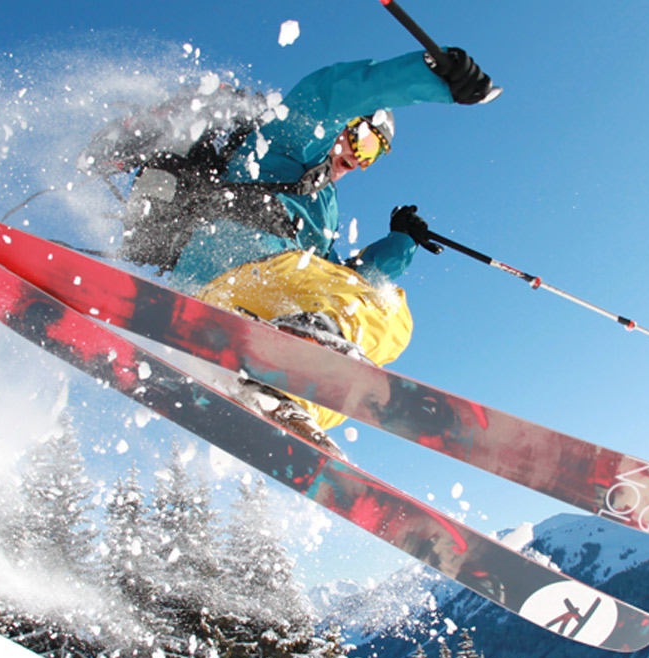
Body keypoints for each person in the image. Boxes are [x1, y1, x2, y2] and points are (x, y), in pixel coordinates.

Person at [166, 47, 494, 454]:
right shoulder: (289, 143)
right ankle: (300, 356)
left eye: (373, 156)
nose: (359, 161)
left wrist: (401, 241)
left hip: (233, 298)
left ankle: (279, 401)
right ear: (346, 123)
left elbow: (346, 278)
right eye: (364, 141)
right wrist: (431, 78)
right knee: (389, 309)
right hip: (241, 257)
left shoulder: (325, 208)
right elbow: (329, 95)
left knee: (368, 343)